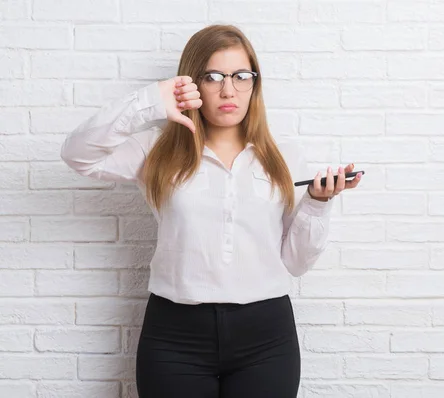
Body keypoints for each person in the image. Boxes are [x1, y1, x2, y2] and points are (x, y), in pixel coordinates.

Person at [60, 24, 362, 398]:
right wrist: (149, 101)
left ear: (255, 83)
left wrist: (317, 205)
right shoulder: (157, 149)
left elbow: (296, 262)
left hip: (266, 337)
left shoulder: (285, 156)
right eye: (213, 76)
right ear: (192, 82)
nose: (228, 89)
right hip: (174, 336)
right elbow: (78, 155)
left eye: (241, 76)